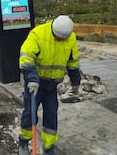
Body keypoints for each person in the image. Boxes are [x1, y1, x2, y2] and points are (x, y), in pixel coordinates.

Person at [18, 15, 81, 155]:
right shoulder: (38, 33)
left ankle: (48, 147)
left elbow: (73, 62)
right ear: (53, 30)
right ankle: (23, 142)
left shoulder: (71, 38)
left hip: (52, 85)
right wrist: (32, 79)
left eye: (63, 39)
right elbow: (26, 57)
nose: (60, 40)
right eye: (58, 38)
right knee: (30, 113)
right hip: (36, 83)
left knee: (51, 114)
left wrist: (76, 80)